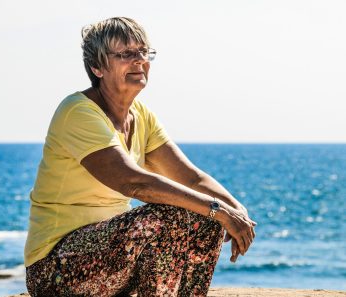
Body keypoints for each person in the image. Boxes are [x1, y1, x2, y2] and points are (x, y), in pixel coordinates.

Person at [25, 17, 256, 297]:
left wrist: (235, 211)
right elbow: (134, 183)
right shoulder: (78, 112)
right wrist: (218, 209)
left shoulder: (141, 116)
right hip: (55, 270)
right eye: (125, 54)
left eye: (143, 52)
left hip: (111, 259)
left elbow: (191, 178)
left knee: (206, 219)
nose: (138, 61)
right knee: (170, 213)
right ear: (97, 67)